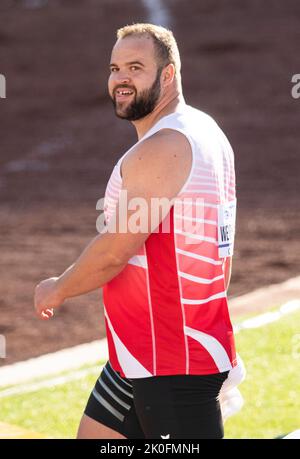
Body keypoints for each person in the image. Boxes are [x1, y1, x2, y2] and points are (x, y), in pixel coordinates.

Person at [35, 23, 242, 439]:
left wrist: (58, 287)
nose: (120, 79)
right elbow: (223, 252)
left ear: (168, 75)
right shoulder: (206, 131)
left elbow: (116, 248)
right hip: (143, 353)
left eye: (135, 67)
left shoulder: (163, 147)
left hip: (171, 360)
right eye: (115, 68)